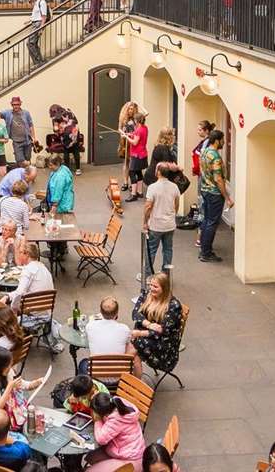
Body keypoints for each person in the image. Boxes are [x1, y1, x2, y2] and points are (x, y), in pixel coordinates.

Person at [130, 273, 185, 377]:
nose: (151, 288)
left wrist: (140, 333)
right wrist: (149, 324)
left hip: (164, 348)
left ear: (164, 288)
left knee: (131, 351)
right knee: (131, 350)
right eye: (150, 285)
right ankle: (133, 381)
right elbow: (135, 313)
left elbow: (163, 331)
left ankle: (132, 384)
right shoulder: (147, 294)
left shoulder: (174, 306)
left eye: (155, 286)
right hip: (148, 337)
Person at [84, 391, 145, 472]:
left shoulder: (116, 419)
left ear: (102, 413)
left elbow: (101, 439)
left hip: (131, 460)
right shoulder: (116, 403)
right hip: (133, 451)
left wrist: (97, 420)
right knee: (90, 457)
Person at [143, 146, 181, 274]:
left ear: (158, 172)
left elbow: (148, 207)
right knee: (168, 250)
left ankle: (148, 275)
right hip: (169, 224)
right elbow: (177, 204)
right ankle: (165, 275)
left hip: (156, 224)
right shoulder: (174, 187)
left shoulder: (152, 188)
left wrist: (145, 222)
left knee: (151, 250)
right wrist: (172, 215)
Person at [197, 129, 232, 262]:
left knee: (206, 220)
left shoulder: (205, 152)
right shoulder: (215, 157)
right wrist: (227, 197)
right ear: (217, 140)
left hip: (205, 189)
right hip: (214, 193)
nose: (224, 142)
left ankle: (204, 249)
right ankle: (206, 252)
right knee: (212, 222)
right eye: (222, 139)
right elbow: (218, 179)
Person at [81, 298, 132, 374]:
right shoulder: (125, 329)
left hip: (96, 375)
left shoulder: (90, 326)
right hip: (119, 375)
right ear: (117, 313)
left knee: (83, 363)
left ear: (101, 312)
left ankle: (85, 385)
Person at [123, 104, 149, 200]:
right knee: (139, 172)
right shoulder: (144, 128)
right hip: (143, 154)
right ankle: (140, 192)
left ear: (137, 120)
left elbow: (134, 142)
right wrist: (129, 134)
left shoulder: (139, 130)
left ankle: (134, 194)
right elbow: (137, 135)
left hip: (136, 155)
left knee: (132, 172)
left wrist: (126, 137)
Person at [5, 96, 36, 166]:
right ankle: (23, 173)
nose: (16, 106)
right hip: (16, 142)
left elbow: (31, 125)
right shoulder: (8, 113)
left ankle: (27, 175)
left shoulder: (26, 113)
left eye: (17, 104)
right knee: (21, 161)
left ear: (20, 104)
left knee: (27, 159)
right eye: (14, 104)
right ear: (11, 105)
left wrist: (34, 137)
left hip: (27, 140)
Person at [26, 0, 49, 66]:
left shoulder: (42, 2)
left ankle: (38, 61)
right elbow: (36, 14)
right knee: (33, 43)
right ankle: (39, 61)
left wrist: (41, 28)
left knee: (30, 43)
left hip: (38, 24)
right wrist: (30, 20)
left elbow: (44, 16)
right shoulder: (36, 2)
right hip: (35, 23)